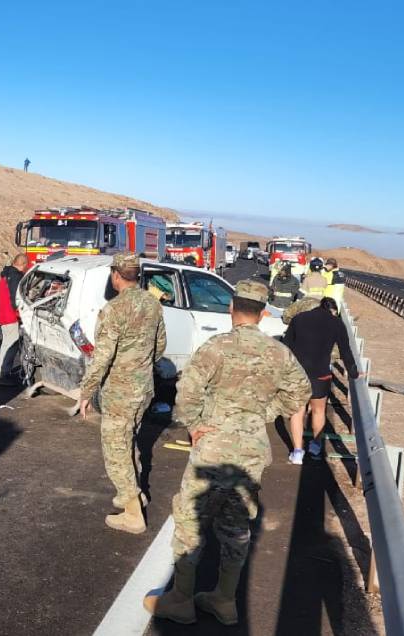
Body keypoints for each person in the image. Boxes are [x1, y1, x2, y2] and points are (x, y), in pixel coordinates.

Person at [144, 279, 310, 626]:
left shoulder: (215, 347)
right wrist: (260, 415)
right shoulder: (279, 353)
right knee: (236, 524)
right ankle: (224, 600)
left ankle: (181, 599)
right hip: (250, 451)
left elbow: (187, 390)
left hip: (213, 446)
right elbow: (300, 394)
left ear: (231, 307)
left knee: (190, 520)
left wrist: (193, 423)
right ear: (263, 314)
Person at [79, 253, 167, 534]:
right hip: (143, 388)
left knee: (116, 450)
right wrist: (140, 364)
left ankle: (133, 514)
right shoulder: (152, 304)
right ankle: (135, 493)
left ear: (116, 275)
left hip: (120, 391)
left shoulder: (114, 310)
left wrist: (86, 391)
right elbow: (160, 346)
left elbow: (102, 357)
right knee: (129, 443)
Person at [282, 297, 361, 464]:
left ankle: (297, 453)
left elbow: (286, 346)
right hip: (321, 374)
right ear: (332, 311)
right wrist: (353, 373)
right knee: (318, 411)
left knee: (297, 412)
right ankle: (316, 447)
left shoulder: (299, 319)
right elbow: (346, 351)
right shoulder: (336, 324)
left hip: (298, 373)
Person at [0, 253, 29, 385]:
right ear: (23, 264)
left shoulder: (6, 274)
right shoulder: (15, 277)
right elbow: (16, 299)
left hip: (4, 315)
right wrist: (22, 313)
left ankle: (3, 373)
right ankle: (2, 375)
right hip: (11, 317)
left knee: (8, 345)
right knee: (9, 346)